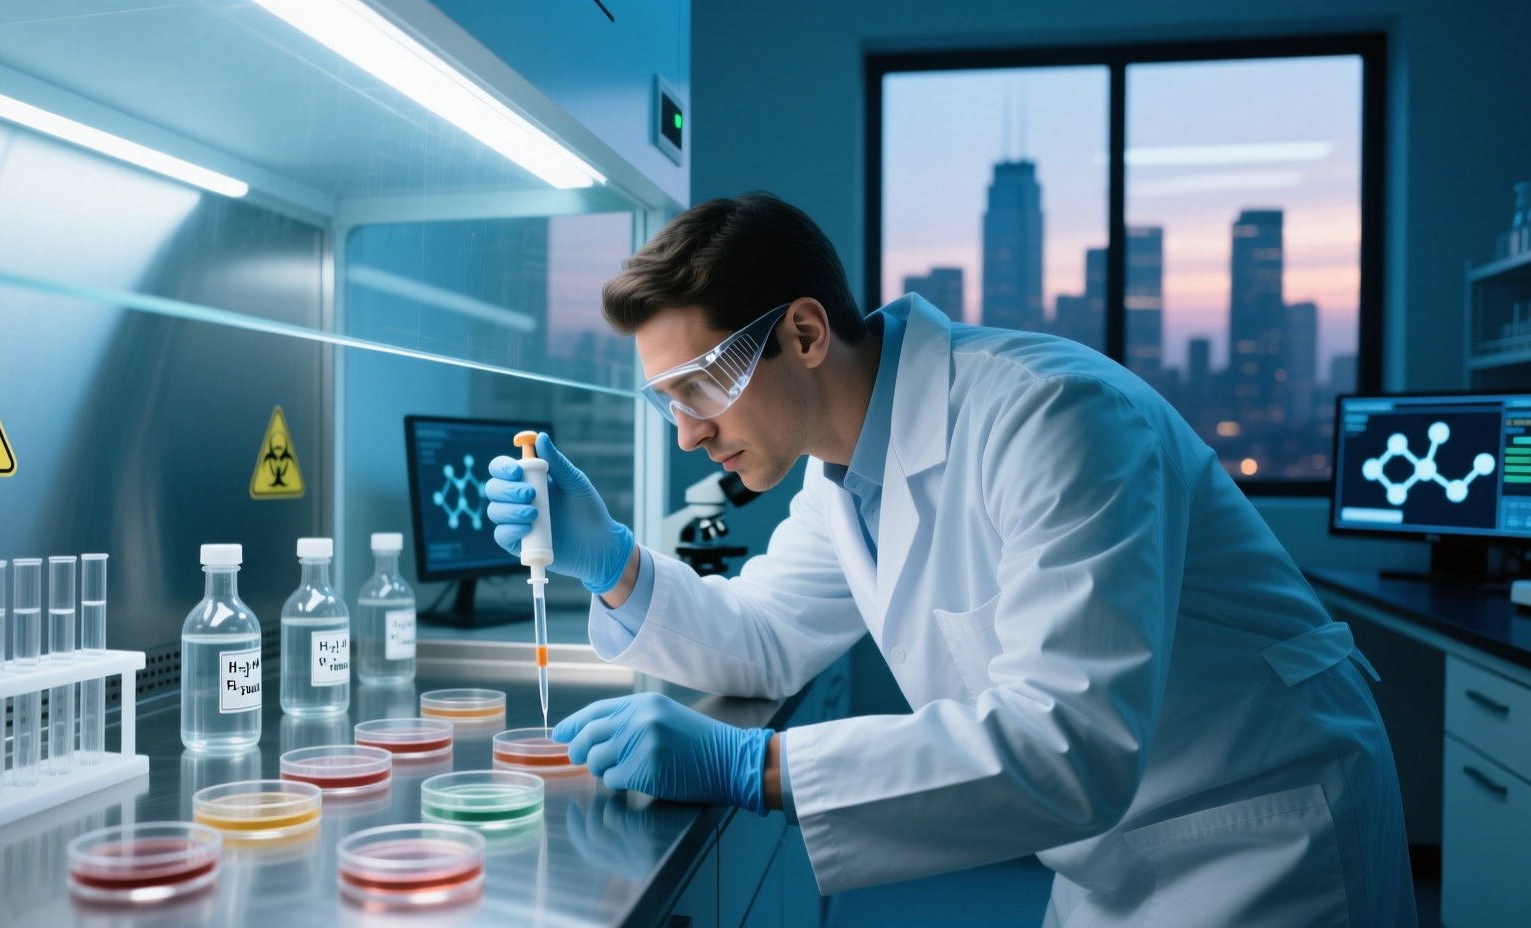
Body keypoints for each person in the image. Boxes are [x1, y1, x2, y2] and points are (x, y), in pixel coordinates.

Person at [485, 192, 1415, 927]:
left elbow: (1071, 743)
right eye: (666, 400)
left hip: (1262, 838)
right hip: (1111, 856)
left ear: (806, 334)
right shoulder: (841, 478)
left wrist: (754, 766)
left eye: (702, 387)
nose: (688, 434)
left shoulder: (1053, 419)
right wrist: (607, 561)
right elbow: (765, 638)